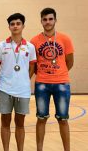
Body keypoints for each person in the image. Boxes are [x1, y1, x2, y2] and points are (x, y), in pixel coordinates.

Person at [31, 8, 74, 151]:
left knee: (63, 119)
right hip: (42, 83)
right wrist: (45, 74)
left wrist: (59, 73)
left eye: (50, 19)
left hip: (61, 83)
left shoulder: (65, 39)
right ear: (41, 21)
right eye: (45, 19)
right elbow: (34, 64)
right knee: (41, 118)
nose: (48, 22)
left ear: (55, 20)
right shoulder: (34, 41)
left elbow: (70, 61)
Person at [0, 13, 36, 151]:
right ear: (9, 27)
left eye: (18, 23)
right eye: (12, 24)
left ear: (23, 26)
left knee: (20, 123)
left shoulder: (30, 47)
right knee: (5, 122)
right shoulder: (1, 46)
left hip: (23, 90)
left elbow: (32, 67)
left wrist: (24, 80)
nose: (15, 26)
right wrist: (4, 80)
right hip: (4, 89)